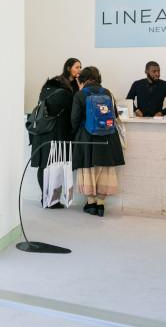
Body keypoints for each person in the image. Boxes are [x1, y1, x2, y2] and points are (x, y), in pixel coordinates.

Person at [71, 67, 125, 217]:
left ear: (83, 79)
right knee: (105, 169)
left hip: (87, 136)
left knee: (87, 168)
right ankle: (100, 205)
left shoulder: (80, 95)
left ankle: (91, 203)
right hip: (107, 136)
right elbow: (114, 115)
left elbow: (74, 119)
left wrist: (76, 133)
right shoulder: (107, 93)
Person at [29, 75, 74, 207]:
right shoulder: (65, 94)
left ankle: (45, 197)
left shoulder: (44, 92)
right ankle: (53, 201)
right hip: (56, 135)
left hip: (40, 135)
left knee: (42, 167)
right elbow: (73, 114)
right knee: (56, 168)